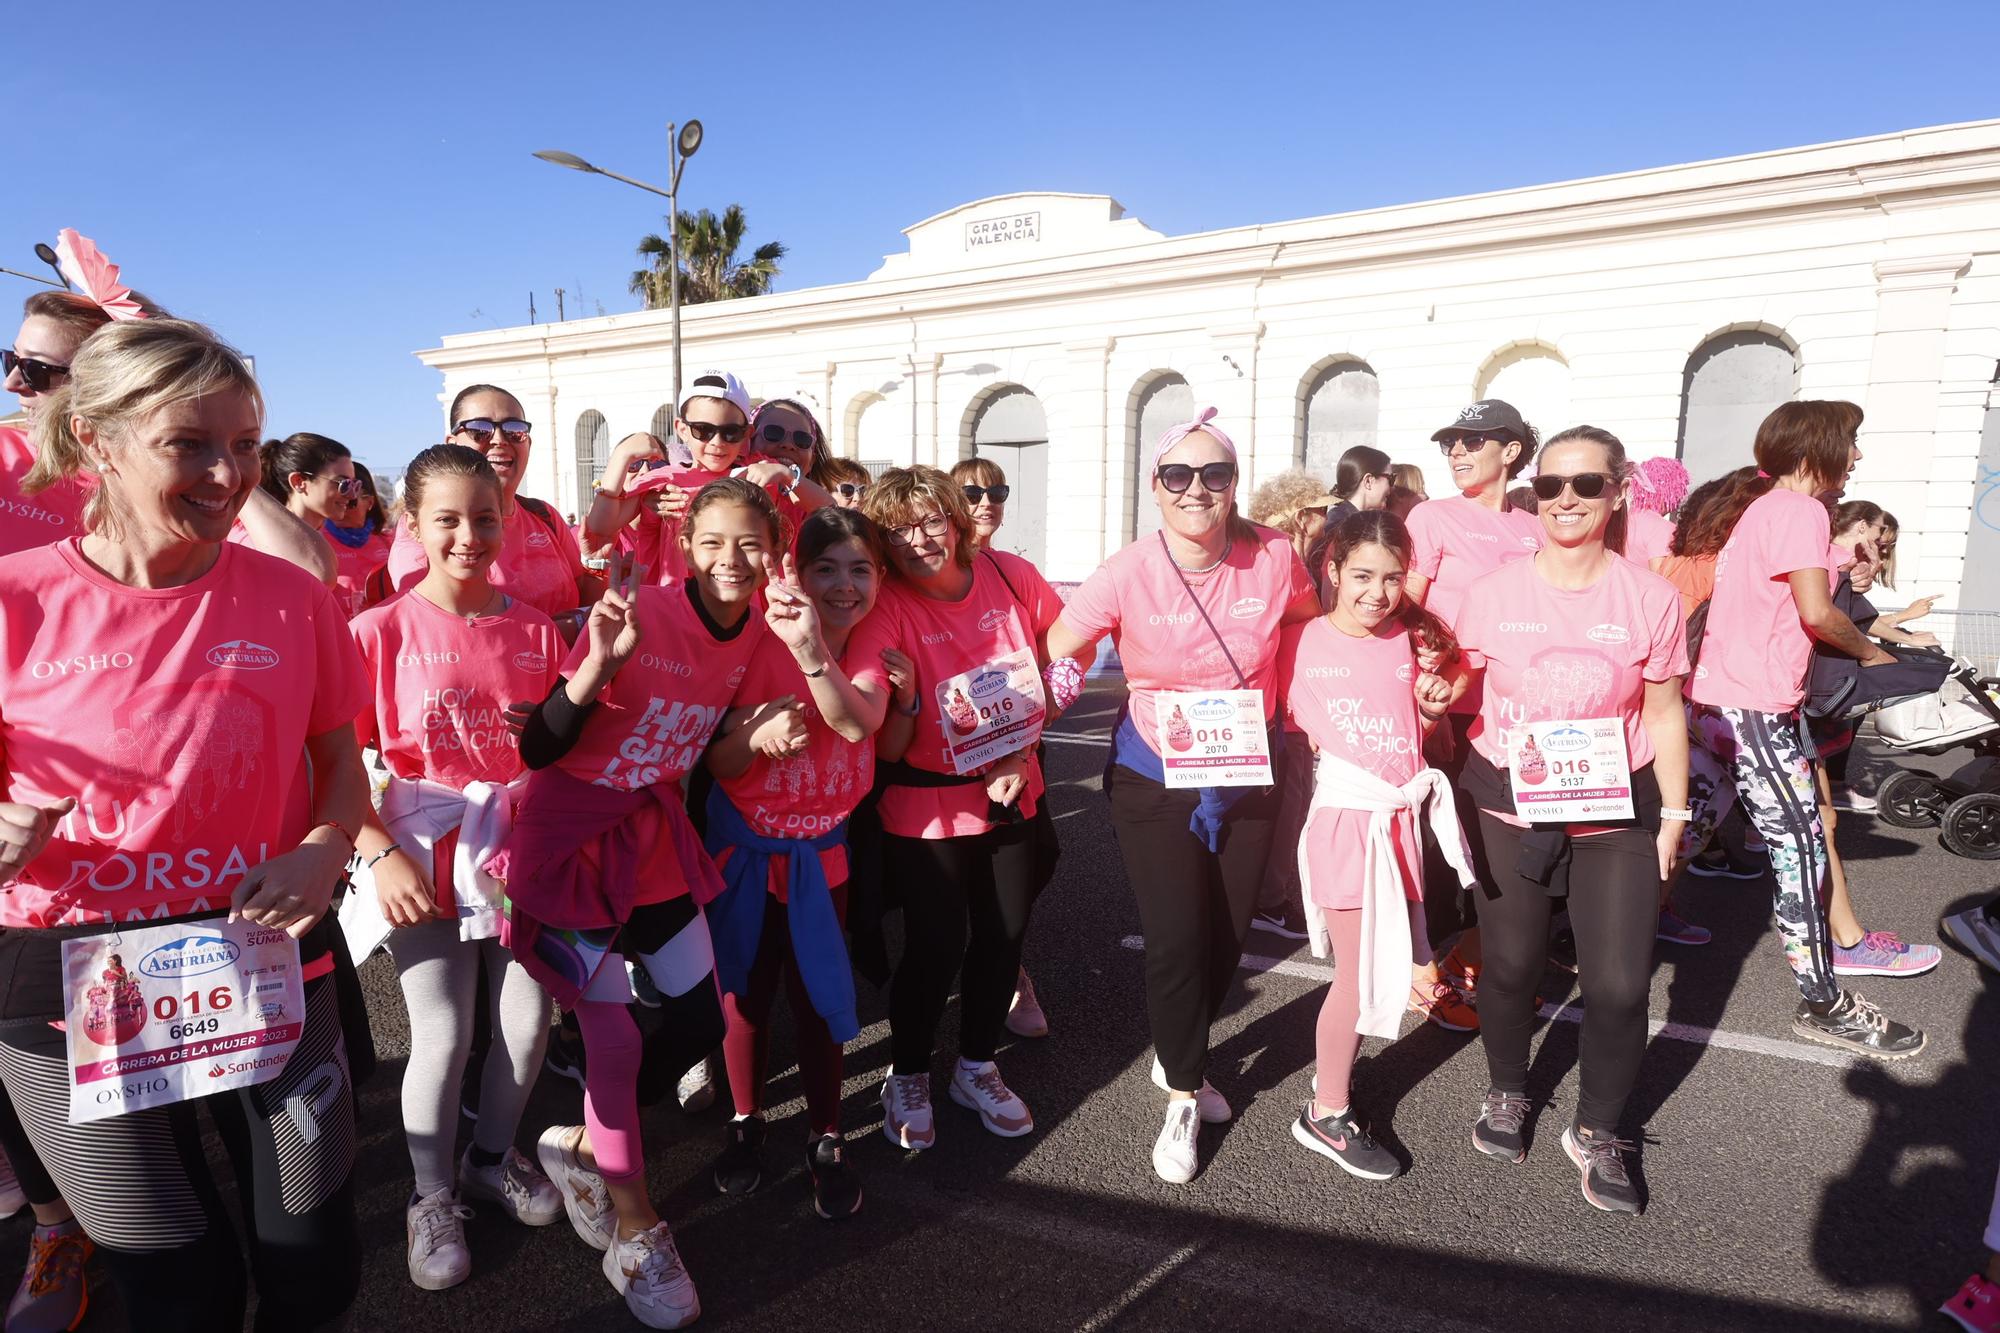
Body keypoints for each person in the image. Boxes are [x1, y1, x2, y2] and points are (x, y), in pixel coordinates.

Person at [0, 317, 370, 1328]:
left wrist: (323, 852)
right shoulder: (13, 602)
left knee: (314, 1268)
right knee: (176, 1288)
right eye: (190, 444)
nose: (227, 473)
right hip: (60, 972)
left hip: (264, 943)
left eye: (246, 444)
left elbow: (340, 762)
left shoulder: (294, 600)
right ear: (97, 441)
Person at [498, 478, 782, 1329]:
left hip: (651, 837)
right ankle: (636, 1228)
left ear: (772, 548)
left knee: (699, 1021)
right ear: (688, 544)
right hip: (570, 840)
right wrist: (594, 666)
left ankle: (583, 1145)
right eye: (715, 542)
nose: (734, 560)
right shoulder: (641, 611)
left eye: (751, 543)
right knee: (615, 1041)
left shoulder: (762, 628)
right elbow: (538, 742)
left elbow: (731, 734)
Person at [1045, 407, 1318, 1184]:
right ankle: (1185, 1092)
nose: (1197, 489)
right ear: (1156, 487)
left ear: (1234, 485)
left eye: (1216, 474)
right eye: (1179, 475)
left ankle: (1182, 1057)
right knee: (1174, 938)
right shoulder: (1128, 568)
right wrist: (996, 732)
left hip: (1245, 764)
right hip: (1154, 773)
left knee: (1229, 935)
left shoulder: (1272, 555)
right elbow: (1058, 648)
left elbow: (1305, 623)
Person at [1450, 425, 1692, 1214]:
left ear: (1617, 492)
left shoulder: (1650, 597)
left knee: (1620, 984)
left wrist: (1675, 818)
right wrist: (1433, 695)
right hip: (1508, 802)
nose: (1564, 499)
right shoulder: (1493, 594)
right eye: (1549, 485)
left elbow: (1663, 713)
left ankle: (1599, 1130)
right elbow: (1455, 686)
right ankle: (1508, 1090)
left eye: (1585, 485)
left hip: (1615, 805)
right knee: (1513, 967)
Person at [347, 444, 567, 1290]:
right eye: (446, 518)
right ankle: (429, 1194)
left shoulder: (536, 627)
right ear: (412, 525)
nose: (468, 535)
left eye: (484, 517)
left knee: (526, 1022)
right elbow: (337, 760)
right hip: (419, 849)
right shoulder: (377, 631)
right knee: (445, 1029)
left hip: (520, 848)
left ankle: (490, 1156)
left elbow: (556, 750)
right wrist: (378, 852)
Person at [1669, 401, 1925, 1058]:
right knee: (1804, 850)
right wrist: (1873, 654)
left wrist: (1841, 562)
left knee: (1682, 834)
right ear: (1819, 448)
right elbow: (1815, 612)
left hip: (1721, 705)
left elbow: (1782, 597)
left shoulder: (1765, 510)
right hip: (1754, 710)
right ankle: (1824, 1001)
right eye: (1853, 444)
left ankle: (1564, 934)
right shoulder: (1799, 510)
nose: (1858, 457)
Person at [854, 466, 1081, 1153]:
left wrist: (1024, 750)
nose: (917, 539)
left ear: (956, 519)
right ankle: (911, 1069)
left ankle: (976, 1064)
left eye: (929, 520)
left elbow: (1068, 658)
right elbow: (874, 707)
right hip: (924, 807)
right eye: (896, 530)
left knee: (1005, 933)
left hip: (1014, 788)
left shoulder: (1009, 574)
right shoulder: (885, 603)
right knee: (936, 943)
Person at [703, 508, 889, 1219]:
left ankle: (827, 1133)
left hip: (821, 859)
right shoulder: (752, 643)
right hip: (743, 852)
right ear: (797, 576)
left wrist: (816, 654)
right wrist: (753, 735)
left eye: (860, 569)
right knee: (743, 993)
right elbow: (716, 763)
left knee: (818, 998)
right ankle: (745, 1121)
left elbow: (856, 721)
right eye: (825, 569)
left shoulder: (869, 645)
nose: (844, 586)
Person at [1279, 511, 1466, 1182]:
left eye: (1391, 578)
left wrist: (1431, 710)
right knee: (1358, 977)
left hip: (1398, 823)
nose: (1376, 592)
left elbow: (1417, 739)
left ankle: (1331, 1101)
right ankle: (1327, 1111)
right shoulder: (1299, 641)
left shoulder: (1408, 641)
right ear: (1331, 569)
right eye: (1361, 575)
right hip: (1346, 821)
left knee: (1379, 967)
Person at [1402, 399, 1545, 1031]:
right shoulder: (1433, 517)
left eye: (1473, 440)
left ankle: (1470, 958)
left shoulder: (1537, 528)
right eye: (1451, 443)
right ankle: (1425, 973)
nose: (1457, 452)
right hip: (1444, 710)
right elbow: (1403, 602)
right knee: (1439, 846)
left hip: (1516, 714)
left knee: (1505, 850)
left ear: (1511, 451)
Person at [945, 455, 1055, 1039]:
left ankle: (1007, 968)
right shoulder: (918, 569)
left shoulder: (1016, 571)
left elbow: (1063, 644)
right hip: (945, 759)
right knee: (945, 889)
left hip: (1021, 745)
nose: (987, 501)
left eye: (998, 490)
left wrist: (1053, 696)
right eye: (971, 491)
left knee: (1038, 860)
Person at [585, 374, 825, 588]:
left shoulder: (755, 475)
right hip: (674, 608)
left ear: (747, 434)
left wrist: (785, 473)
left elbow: (829, 510)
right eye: (703, 430)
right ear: (681, 429)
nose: (717, 442)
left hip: (740, 609)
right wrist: (621, 457)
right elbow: (601, 526)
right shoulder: (664, 480)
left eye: (730, 432)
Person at [386, 383, 600, 623]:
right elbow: (435, 625)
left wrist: (602, 558)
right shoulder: (424, 530)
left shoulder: (544, 515)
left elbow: (584, 594)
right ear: (452, 443)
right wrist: (561, 633)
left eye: (514, 430)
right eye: (480, 430)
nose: (499, 439)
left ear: (528, 443)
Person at [1246, 469, 1341, 942]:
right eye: (1320, 511)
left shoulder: (1267, 557)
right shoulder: (1285, 563)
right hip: (1285, 707)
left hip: (1275, 703)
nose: (1327, 518)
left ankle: (1264, 895)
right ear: (1303, 517)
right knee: (1288, 804)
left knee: (1280, 803)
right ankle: (1269, 900)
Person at [261, 432, 372, 614]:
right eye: (342, 484)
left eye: (355, 485)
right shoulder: (259, 539)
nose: (352, 496)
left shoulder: (329, 537)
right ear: (299, 482)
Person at [326, 459, 394, 616]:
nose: (342, 506)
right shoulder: (316, 541)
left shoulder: (389, 543)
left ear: (369, 502)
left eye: (350, 502)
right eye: (336, 501)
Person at [1624, 456, 1688, 569]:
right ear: (1670, 490)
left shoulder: (1622, 520)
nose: (1682, 496)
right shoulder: (1662, 529)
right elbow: (1661, 577)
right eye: (1681, 489)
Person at [950, 456, 1011, 551]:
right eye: (972, 494)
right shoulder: (943, 563)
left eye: (996, 492)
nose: (987, 503)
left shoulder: (1008, 563)